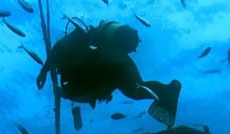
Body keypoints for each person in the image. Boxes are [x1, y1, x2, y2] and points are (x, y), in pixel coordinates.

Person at [35, 19, 182, 128]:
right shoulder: (85, 46)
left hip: (111, 62)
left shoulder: (74, 59)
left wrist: (44, 72)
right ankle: (169, 90)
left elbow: (60, 49)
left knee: (135, 90)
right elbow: (95, 86)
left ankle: (168, 91)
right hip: (118, 62)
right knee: (137, 89)